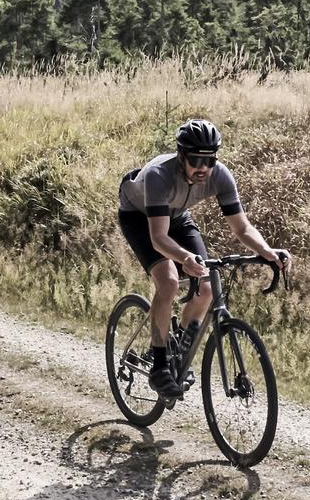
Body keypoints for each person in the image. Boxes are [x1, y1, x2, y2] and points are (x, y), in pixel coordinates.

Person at [116, 118, 289, 395]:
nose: (203, 168)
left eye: (209, 161)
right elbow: (158, 238)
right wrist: (184, 258)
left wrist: (266, 252)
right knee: (169, 281)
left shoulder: (220, 175)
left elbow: (242, 227)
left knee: (206, 287)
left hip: (176, 216)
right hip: (139, 217)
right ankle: (159, 364)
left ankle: (178, 351)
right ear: (181, 155)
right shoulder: (159, 175)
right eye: (196, 160)